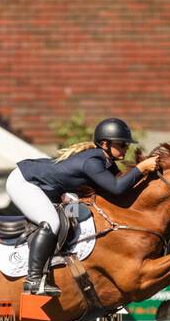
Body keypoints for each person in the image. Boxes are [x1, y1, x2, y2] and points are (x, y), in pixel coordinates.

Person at [8, 118, 161, 296]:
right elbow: (116, 188)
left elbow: (121, 189)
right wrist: (141, 168)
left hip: (46, 187)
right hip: (24, 181)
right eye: (122, 144)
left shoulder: (106, 162)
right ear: (105, 144)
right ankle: (33, 280)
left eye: (127, 145)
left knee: (71, 215)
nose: (126, 149)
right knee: (51, 222)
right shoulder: (92, 161)